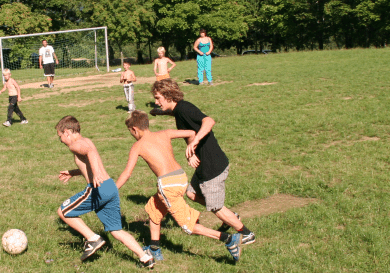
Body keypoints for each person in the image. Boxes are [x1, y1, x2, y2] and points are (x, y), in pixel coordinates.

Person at [115, 111, 243, 262]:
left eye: (130, 132)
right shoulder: (165, 133)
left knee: (188, 226)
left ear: (134, 129)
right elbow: (191, 132)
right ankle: (155, 248)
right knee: (154, 209)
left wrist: (112, 189)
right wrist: (191, 152)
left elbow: (127, 174)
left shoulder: (137, 146)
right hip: (181, 178)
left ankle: (228, 239)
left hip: (168, 185)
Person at [148, 79, 257, 245]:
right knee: (191, 193)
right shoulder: (178, 110)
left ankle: (246, 233)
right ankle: (229, 215)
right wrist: (159, 112)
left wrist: (195, 141)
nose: (156, 102)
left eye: (158, 98)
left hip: (212, 165)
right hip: (203, 163)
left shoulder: (185, 108)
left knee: (215, 207)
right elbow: (178, 116)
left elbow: (209, 121)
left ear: (169, 97)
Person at [53, 116, 154, 268]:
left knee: (63, 211)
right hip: (110, 187)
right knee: (116, 230)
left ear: (67, 132)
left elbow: (90, 154)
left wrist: (95, 176)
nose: (60, 140)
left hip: (98, 188)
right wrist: (73, 172)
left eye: (60, 136)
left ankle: (92, 238)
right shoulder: (87, 140)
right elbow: (90, 160)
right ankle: (145, 258)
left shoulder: (75, 146)